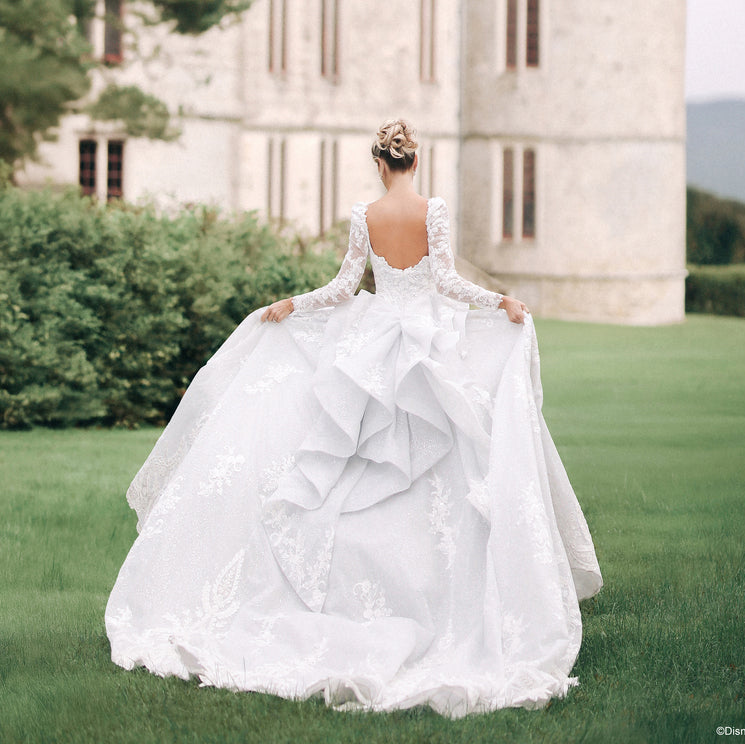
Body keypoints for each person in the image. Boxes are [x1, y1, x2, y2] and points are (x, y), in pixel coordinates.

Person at [106, 119, 602, 717]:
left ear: (379, 164)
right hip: (425, 344)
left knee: (349, 458)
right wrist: (500, 301)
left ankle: (340, 590)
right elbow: (444, 280)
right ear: (414, 162)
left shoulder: (364, 213)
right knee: (446, 464)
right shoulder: (433, 209)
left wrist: (293, 304)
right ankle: (442, 597)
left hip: (372, 344)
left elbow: (344, 286)